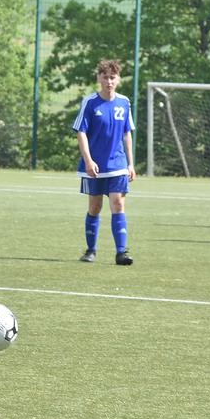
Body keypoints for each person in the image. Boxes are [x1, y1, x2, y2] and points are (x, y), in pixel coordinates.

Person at [73, 59, 136, 266]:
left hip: (117, 164)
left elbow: (127, 133)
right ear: (98, 78)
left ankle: (121, 253)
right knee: (95, 206)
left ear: (118, 80)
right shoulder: (90, 103)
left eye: (112, 77)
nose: (109, 81)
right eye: (105, 77)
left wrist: (130, 163)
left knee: (118, 204)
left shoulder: (124, 103)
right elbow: (81, 132)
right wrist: (88, 160)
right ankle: (91, 250)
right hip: (95, 167)